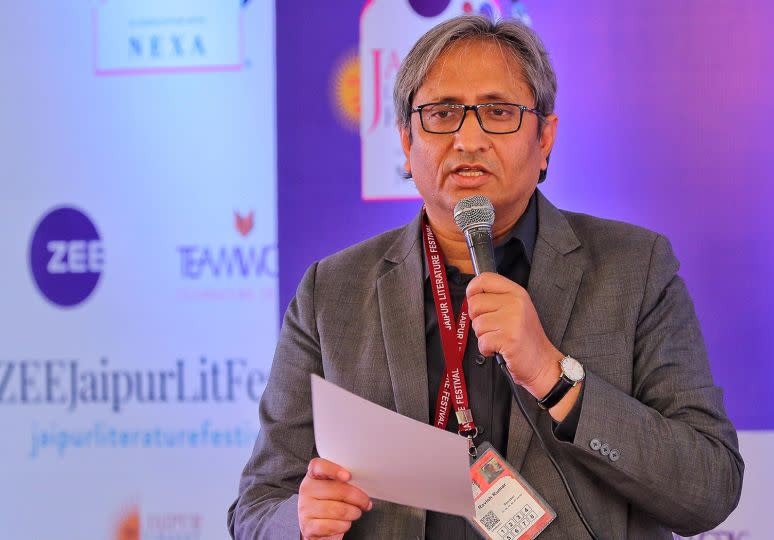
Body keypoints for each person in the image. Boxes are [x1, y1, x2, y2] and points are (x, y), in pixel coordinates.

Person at [228, 15, 743, 540]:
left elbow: (710, 487)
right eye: (442, 113)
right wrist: (297, 520)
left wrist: (554, 376)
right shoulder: (332, 292)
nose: (467, 138)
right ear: (407, 142)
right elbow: (256, 506)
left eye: (498, 112)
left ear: (545, 138)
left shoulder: (635, 269)